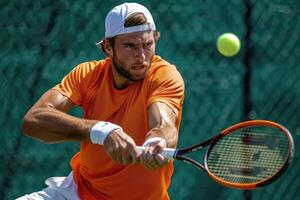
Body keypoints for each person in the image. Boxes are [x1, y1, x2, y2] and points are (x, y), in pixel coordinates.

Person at [18, 2, 184, 200]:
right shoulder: (88, 75)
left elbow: (164, 124)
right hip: (78, 192)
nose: (141, 57)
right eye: (130, 46)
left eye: (147, 45)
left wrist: (157, 141)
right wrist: (101, 131)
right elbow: (33, 120)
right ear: (108, 47)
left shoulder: (164, 75)